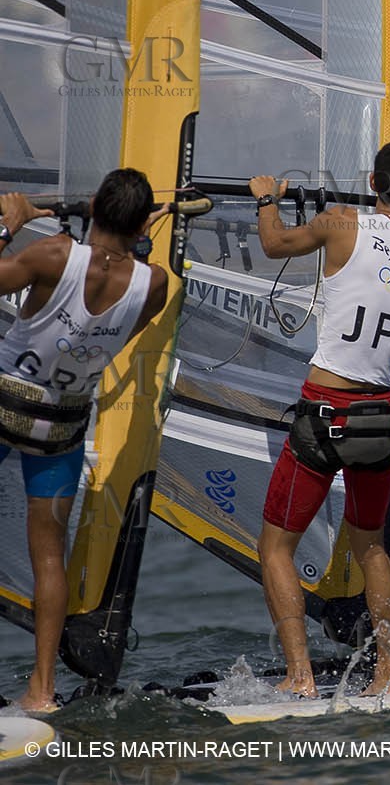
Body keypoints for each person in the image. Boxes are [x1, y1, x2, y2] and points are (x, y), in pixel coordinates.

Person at [252, 139, 390, 697]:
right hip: (381, 418)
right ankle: (387, 673)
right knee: (372, 548)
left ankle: (300, 676)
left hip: (326, 412)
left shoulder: (340, 224)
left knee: (275, 548)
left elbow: (272, 245)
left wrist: (267, 198)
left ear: (372, 182)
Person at [0, 169, 169, 710]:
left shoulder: (53, 255)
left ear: (93, 204)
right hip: (62, 425)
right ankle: (43, 689)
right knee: (50, 558)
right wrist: (139, 243)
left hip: (5, 403)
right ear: (142, 223)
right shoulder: (155, 283)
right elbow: (126, 319)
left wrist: (11, 224)